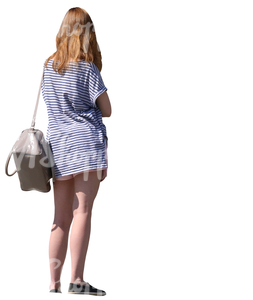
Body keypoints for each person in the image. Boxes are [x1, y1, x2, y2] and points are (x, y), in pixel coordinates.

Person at [42, 7, 111, 296]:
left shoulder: (49, 66)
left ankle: (53, 284)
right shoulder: (87, 69)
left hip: (58, 148)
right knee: (82, 211)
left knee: (60, 217)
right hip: (86, 147)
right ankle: (77, 280)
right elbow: (107, 110)